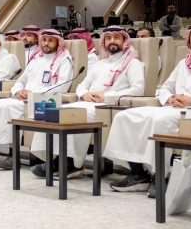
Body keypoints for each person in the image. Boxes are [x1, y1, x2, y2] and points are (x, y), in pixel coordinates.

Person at [104, 23, 191, 192]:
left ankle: (160, 176)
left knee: (160, 121)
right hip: (173, 108)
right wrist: (169, 98)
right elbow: (165, 87)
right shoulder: (183, 64)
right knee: (125, 116)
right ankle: (138, 174)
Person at [0, 29, 75, 170]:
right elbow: (20, 80)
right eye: (44, 40)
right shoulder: (36, 59)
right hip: (23, 98)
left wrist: (33, 93)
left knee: (7, 108)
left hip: (43, 100)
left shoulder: (64, 59)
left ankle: (14, 157)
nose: (46, 43)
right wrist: (17, 91)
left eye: (50, 40)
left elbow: (62, 86)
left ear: (58, 43)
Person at [54, 26, 145, 176]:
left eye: (116, 37)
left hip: (110, 106)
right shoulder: (100, 64)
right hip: (89, 103)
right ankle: (59, 160)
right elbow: (82, 85)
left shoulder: (132, 62)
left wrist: (107, 97)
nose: (112, 41)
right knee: (61, 111)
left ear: (124, 41)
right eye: (108, 38)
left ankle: (72, 165)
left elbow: (138, 89)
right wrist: (84, 94)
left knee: (74, 114)